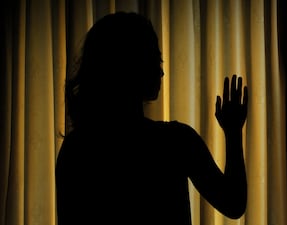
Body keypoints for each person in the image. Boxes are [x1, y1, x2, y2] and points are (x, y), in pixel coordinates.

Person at [55, 11, 248, 225]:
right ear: (132, 65)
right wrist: (233, 132)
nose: (161, 72)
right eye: (156, 59)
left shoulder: (76, 149)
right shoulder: (176, 141)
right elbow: (233, 203)